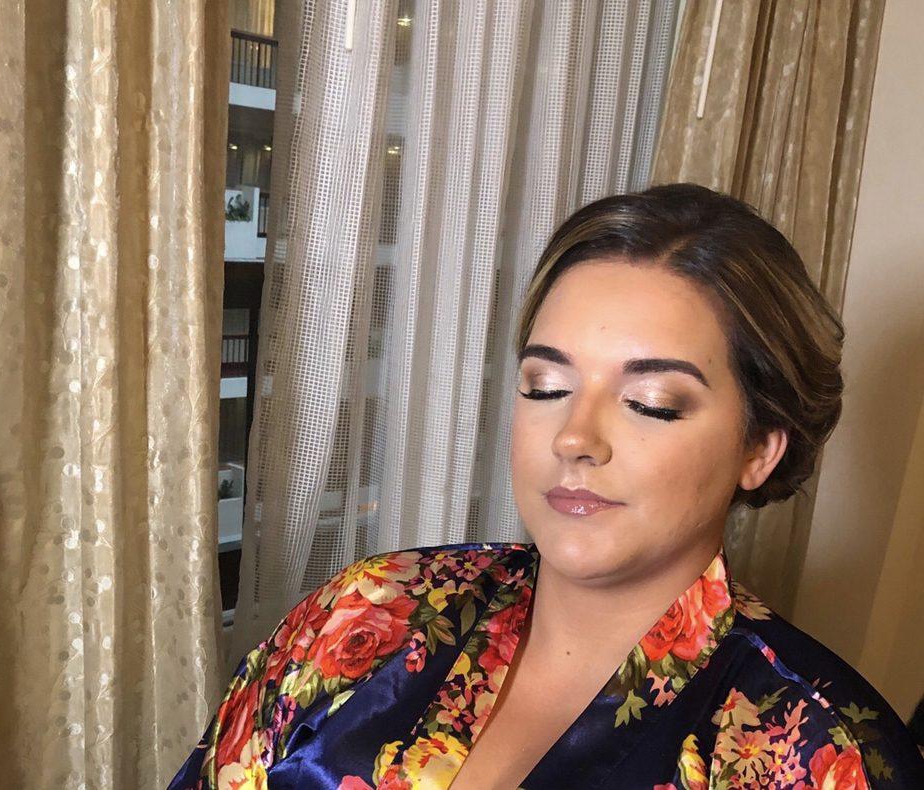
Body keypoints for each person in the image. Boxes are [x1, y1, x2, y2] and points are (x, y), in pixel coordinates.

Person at [170, 184, 924, 789]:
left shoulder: (819, 752)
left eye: (650, 402)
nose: (574, 437)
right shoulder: (370, 610)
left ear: (759, 448)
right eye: (545, 386)